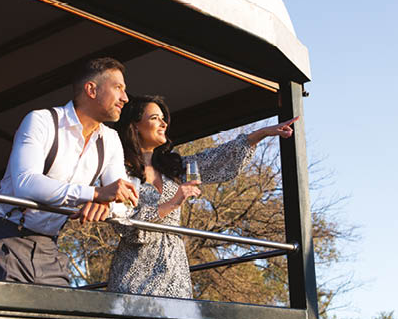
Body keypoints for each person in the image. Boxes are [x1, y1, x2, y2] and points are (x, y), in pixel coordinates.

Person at [106, 94, 298, 298]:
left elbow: (217, 159)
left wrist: (262, 133)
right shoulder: (120, 171)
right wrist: (172, 203)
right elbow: (124, 223)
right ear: (135, 125)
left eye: (163, 118)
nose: (163, 123)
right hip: (134, 272)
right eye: (155, 118)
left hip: (174, 271)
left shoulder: (174, 167)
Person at [0, 57, 139, 286]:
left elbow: (126, 201)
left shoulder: (110, 140)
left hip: (49, 245)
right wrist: (95, 194)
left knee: (61, 307)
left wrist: (107, 205)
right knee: (7, 309)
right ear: (91, 89)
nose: (125, 98)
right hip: (3, 233)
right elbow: (26, 183)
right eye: (118, 88)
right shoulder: (41, 121)